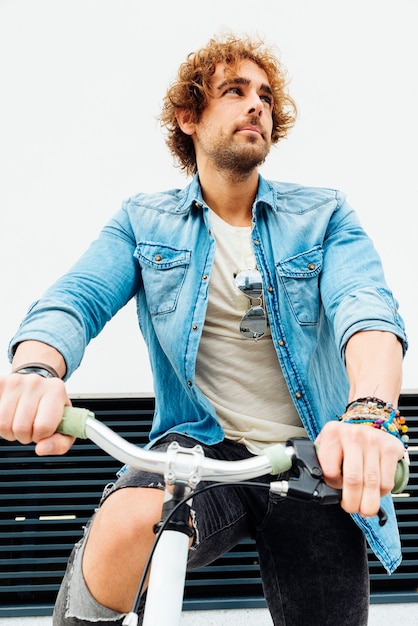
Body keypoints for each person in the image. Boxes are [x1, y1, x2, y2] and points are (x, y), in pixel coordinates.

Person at [0, 33, 409, 626]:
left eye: (265, 96)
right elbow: (76, 298)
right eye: (235, 91)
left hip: (312, 457)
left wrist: (370, 413)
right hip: (203, 444)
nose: (258, 106)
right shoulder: (143, 222)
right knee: (127, 518)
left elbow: (365, 308)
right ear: (188, 117)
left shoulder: (323, 214)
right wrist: (36, 369)